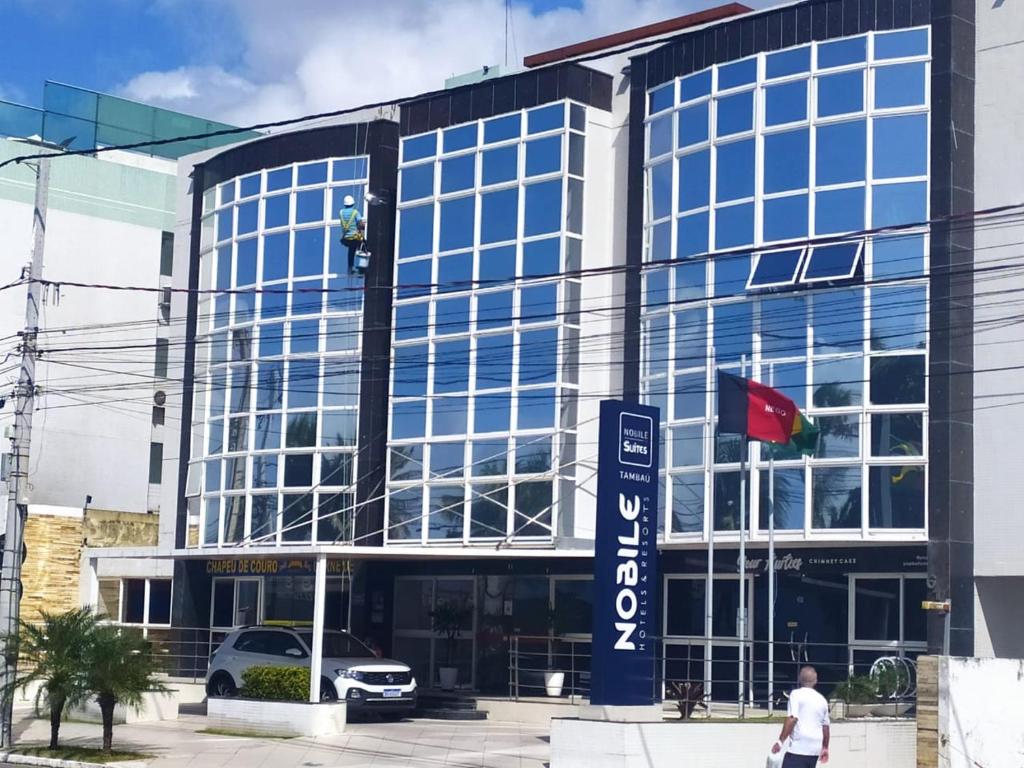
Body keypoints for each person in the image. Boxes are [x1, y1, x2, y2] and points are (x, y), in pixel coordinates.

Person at [771, 666, 830, 766]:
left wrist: (780, 742)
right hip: (814, 749)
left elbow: (792, 718)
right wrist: (825, 747)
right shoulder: (822, 700)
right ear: (815, 681)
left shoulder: (796, 694)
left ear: (799, 679)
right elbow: (826, 727)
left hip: (798, 748)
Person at [338, 194, 366, 274]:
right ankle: (362, 269)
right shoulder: (355, 212)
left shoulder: (341, 212)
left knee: (351, 250)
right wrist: (362, 229)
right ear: (353, 204)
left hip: (346, 239)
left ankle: (350, 267)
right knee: (364, 247)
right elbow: (360, 225)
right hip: (354, 238)